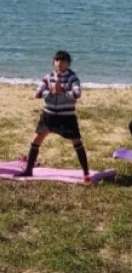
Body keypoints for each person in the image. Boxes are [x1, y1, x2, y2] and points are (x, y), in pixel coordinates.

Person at [15, 51, 91, 183]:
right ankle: (29, 169)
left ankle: (86, 173)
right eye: (57, 60)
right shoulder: (48, 77)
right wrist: (50, 91)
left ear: (68, 63)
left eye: (63, 61)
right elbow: (37, 94)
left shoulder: (72, 78)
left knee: (76, 142)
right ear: (53, 62)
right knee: (36, 140)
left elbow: (77, 94)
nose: (59, 63)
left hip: (66, 117)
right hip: (48, 115)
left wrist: (63, 91)